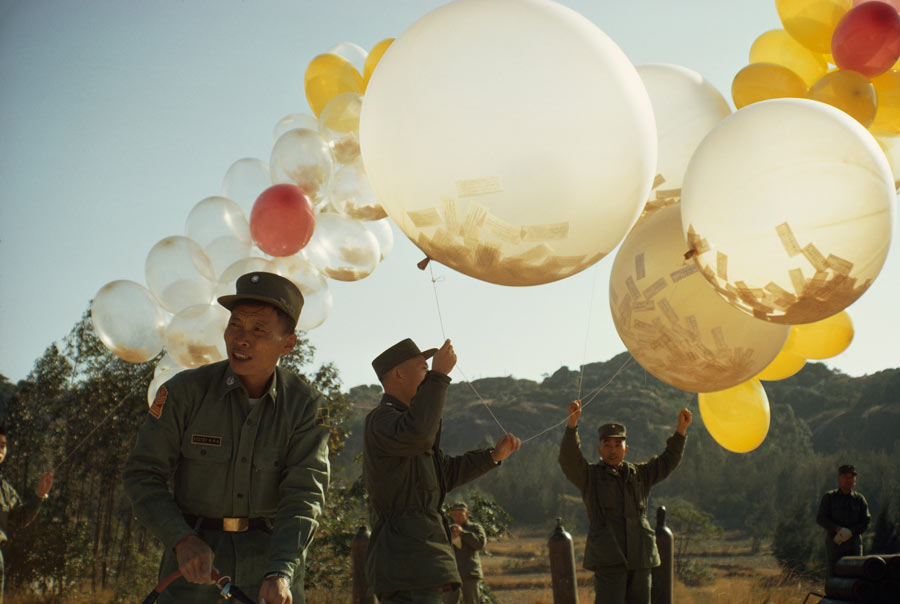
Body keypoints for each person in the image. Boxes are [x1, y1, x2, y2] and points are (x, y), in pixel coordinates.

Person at [123, 271, 330, 604]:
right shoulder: (183, 393)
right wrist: (182, 541)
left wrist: (281, 571)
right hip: (194, 566)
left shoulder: (307, 406)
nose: (241, 339)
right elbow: (142, 474)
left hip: (271, 566)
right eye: (235, 325)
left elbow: (304, 494)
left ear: (288, 343)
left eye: (258, 330)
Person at [363, 338, 521, 604]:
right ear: (398, 374)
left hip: (429, 560)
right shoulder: (382, 420)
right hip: (408, 560)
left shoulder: (407, 423)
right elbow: (419, 434)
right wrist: (438, 376)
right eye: (423, 367)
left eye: (428, 369)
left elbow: (444, 473)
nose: (428, 372)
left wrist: (493, 457)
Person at [558, 400, 691, 604]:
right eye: (607, 445)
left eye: (617, 445)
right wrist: (572, 425)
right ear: (599, 449)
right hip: (609, 559)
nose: (613, 450)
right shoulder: (590, 477)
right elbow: (569, 460)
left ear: (625, 448)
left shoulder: (639, 474)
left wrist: (681, 431)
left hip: (640, 558)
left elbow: (667, 462)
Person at [0, 426, 54, 604]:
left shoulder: (4, 489)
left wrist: (39, 495)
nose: (0, 450)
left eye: (2, 446)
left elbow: (20, 517)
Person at [816, 464, 870, 578]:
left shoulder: (859, 499)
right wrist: (837, 529)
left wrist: (851, 532)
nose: (849, 480)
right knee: (834, 573)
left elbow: (866, 521)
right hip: (835, 542)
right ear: (839, 478)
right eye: (846, 477)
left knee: (856, 573)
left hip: (854, 542)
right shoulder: (830, 497)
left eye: (851, 477)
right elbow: (821, 518)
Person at [444, 501, 487, 604]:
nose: (457, 517)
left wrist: (463, 534)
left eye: (460, 515)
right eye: (455, 515)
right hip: (452, 573)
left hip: (470, 572)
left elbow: (480, 545)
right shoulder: (447, 530)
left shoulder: (475, 528)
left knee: (472, 601)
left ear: (467, 514)